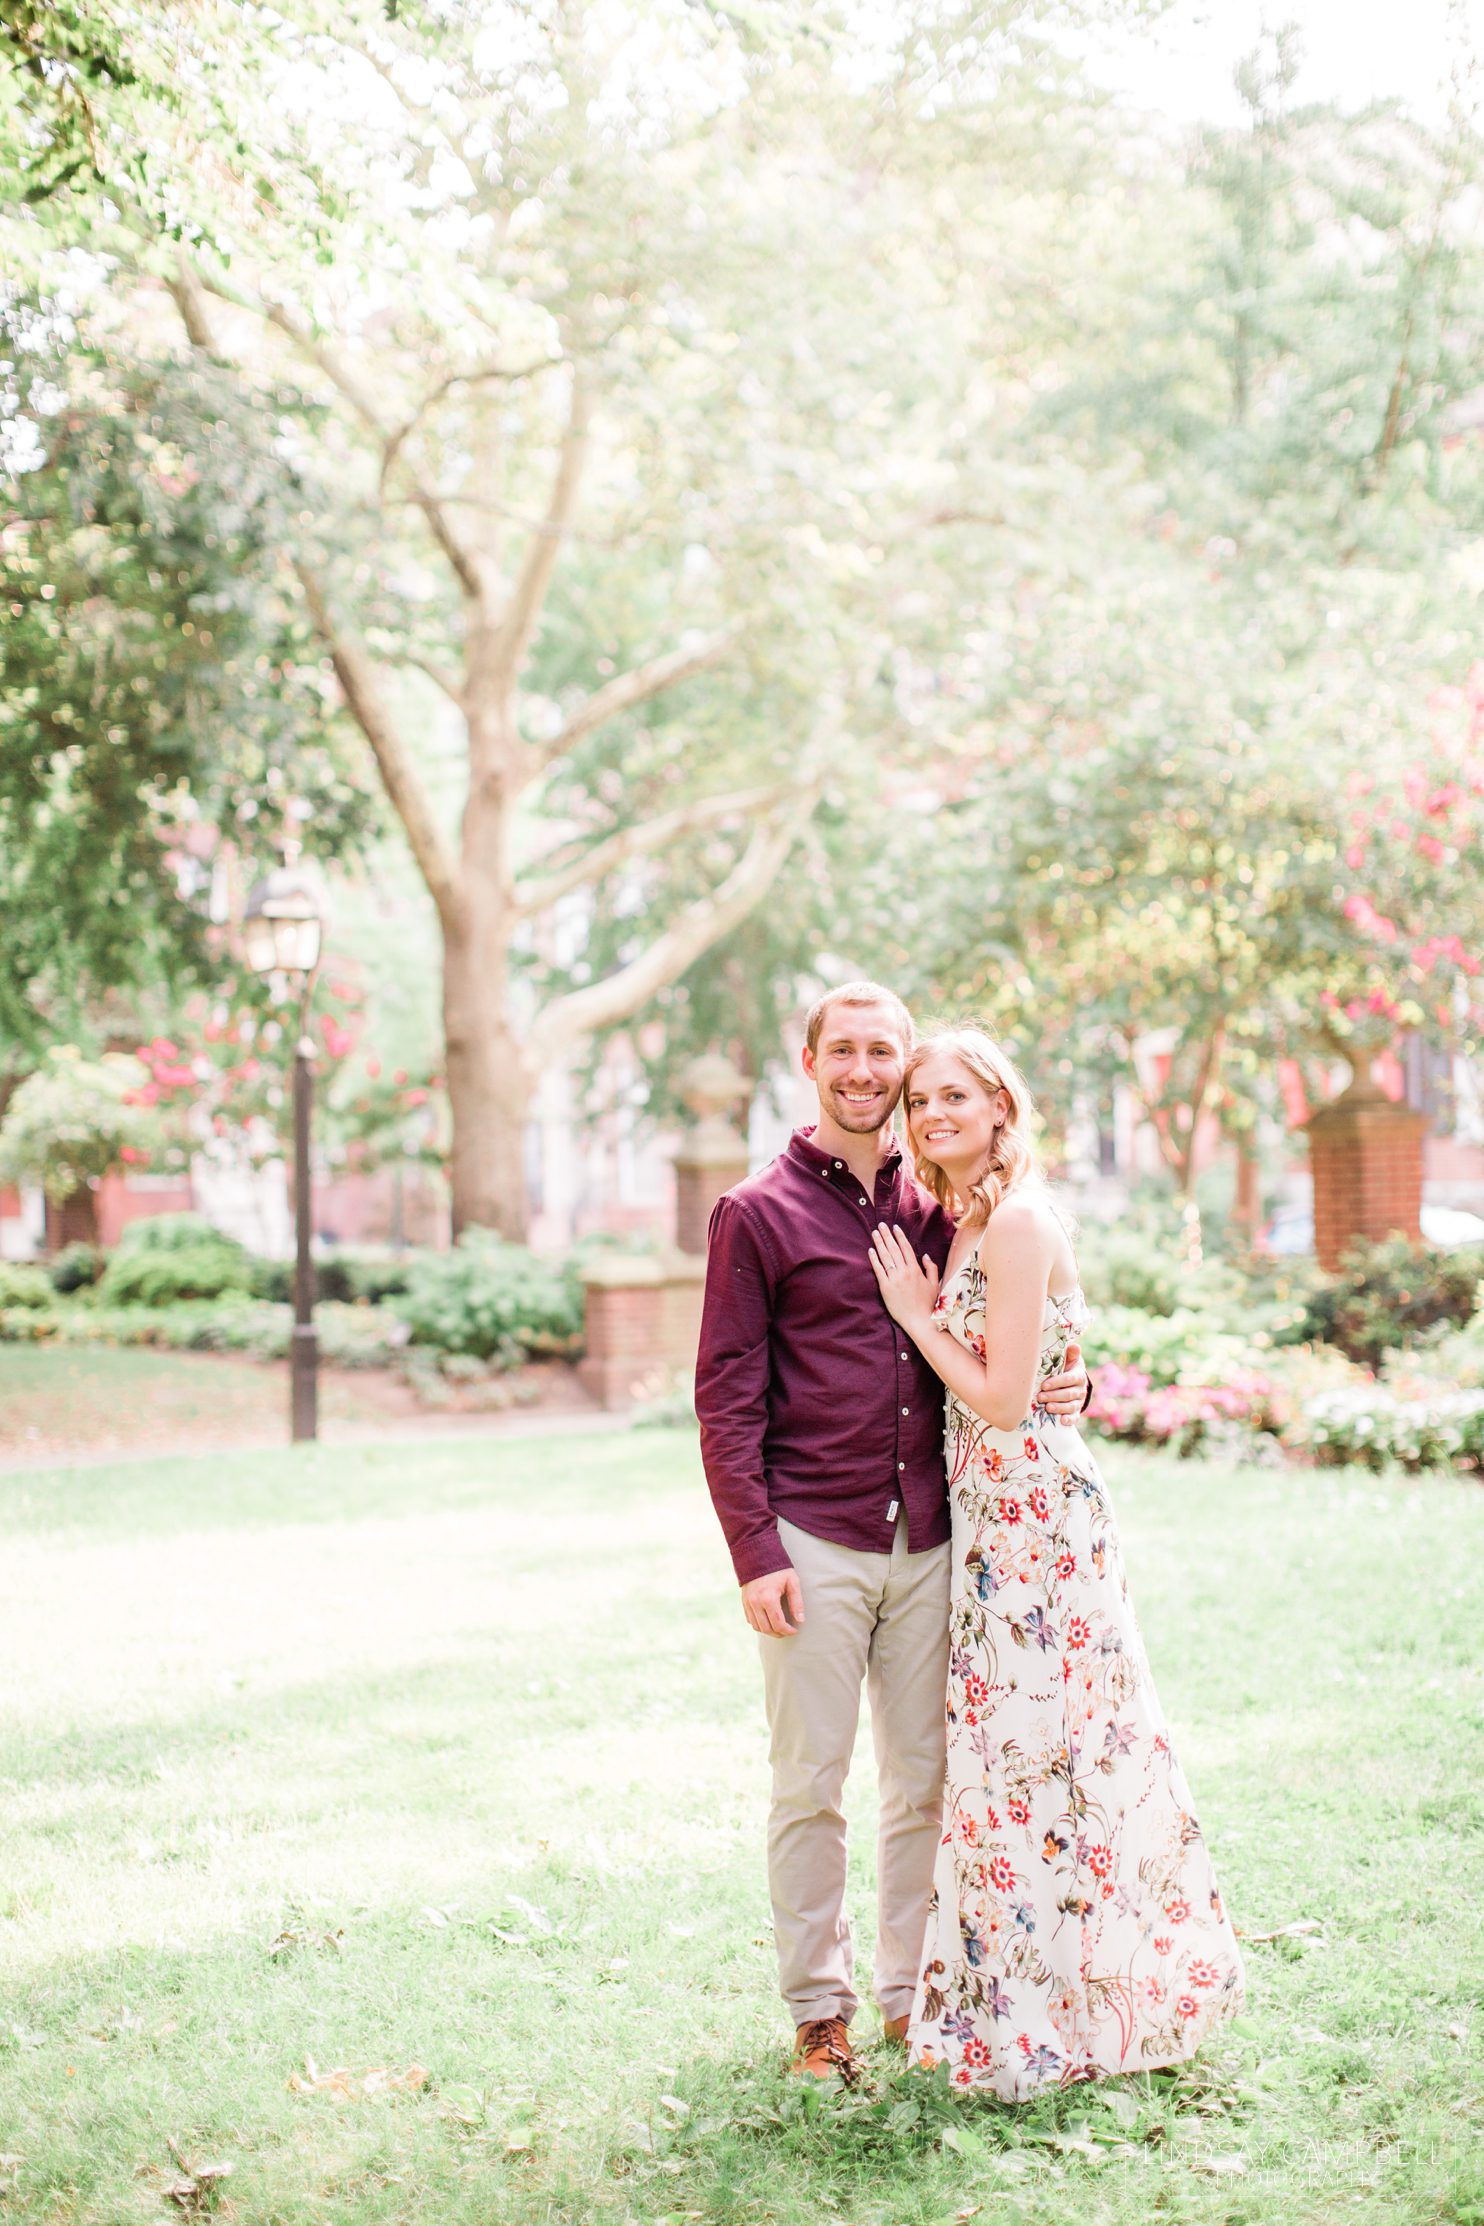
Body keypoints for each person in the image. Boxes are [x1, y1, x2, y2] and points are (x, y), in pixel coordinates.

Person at [695, 983, 1090, 2083]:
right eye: (847, 1052)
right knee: (808, 1783)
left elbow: (1011, 1323)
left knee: (923, 1782)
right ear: (810, 1057)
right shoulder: (755, 1213)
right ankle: (816, 2014)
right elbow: (725, 1399)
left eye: (887, 1056)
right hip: (812, 1539)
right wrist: (753, 1552)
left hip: (933, 1541)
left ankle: (909, 1999)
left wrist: (1075, 1380)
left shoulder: (940, 1203)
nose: (867, 1073)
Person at [867, 1026, 1244, 2096]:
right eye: (918, 1102)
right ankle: (1034, 1988)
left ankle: (1098, 1997)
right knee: (1012, 1753)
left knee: (1061, 1747)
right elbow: (1030, 1371)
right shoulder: (965, 1220)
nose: (931, 1114)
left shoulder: (1019, 1221)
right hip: (993, 1516)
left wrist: (912, 1315)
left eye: (952, 1096)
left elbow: (995, 1395)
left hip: (1036, 1518)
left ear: (998, 1105)